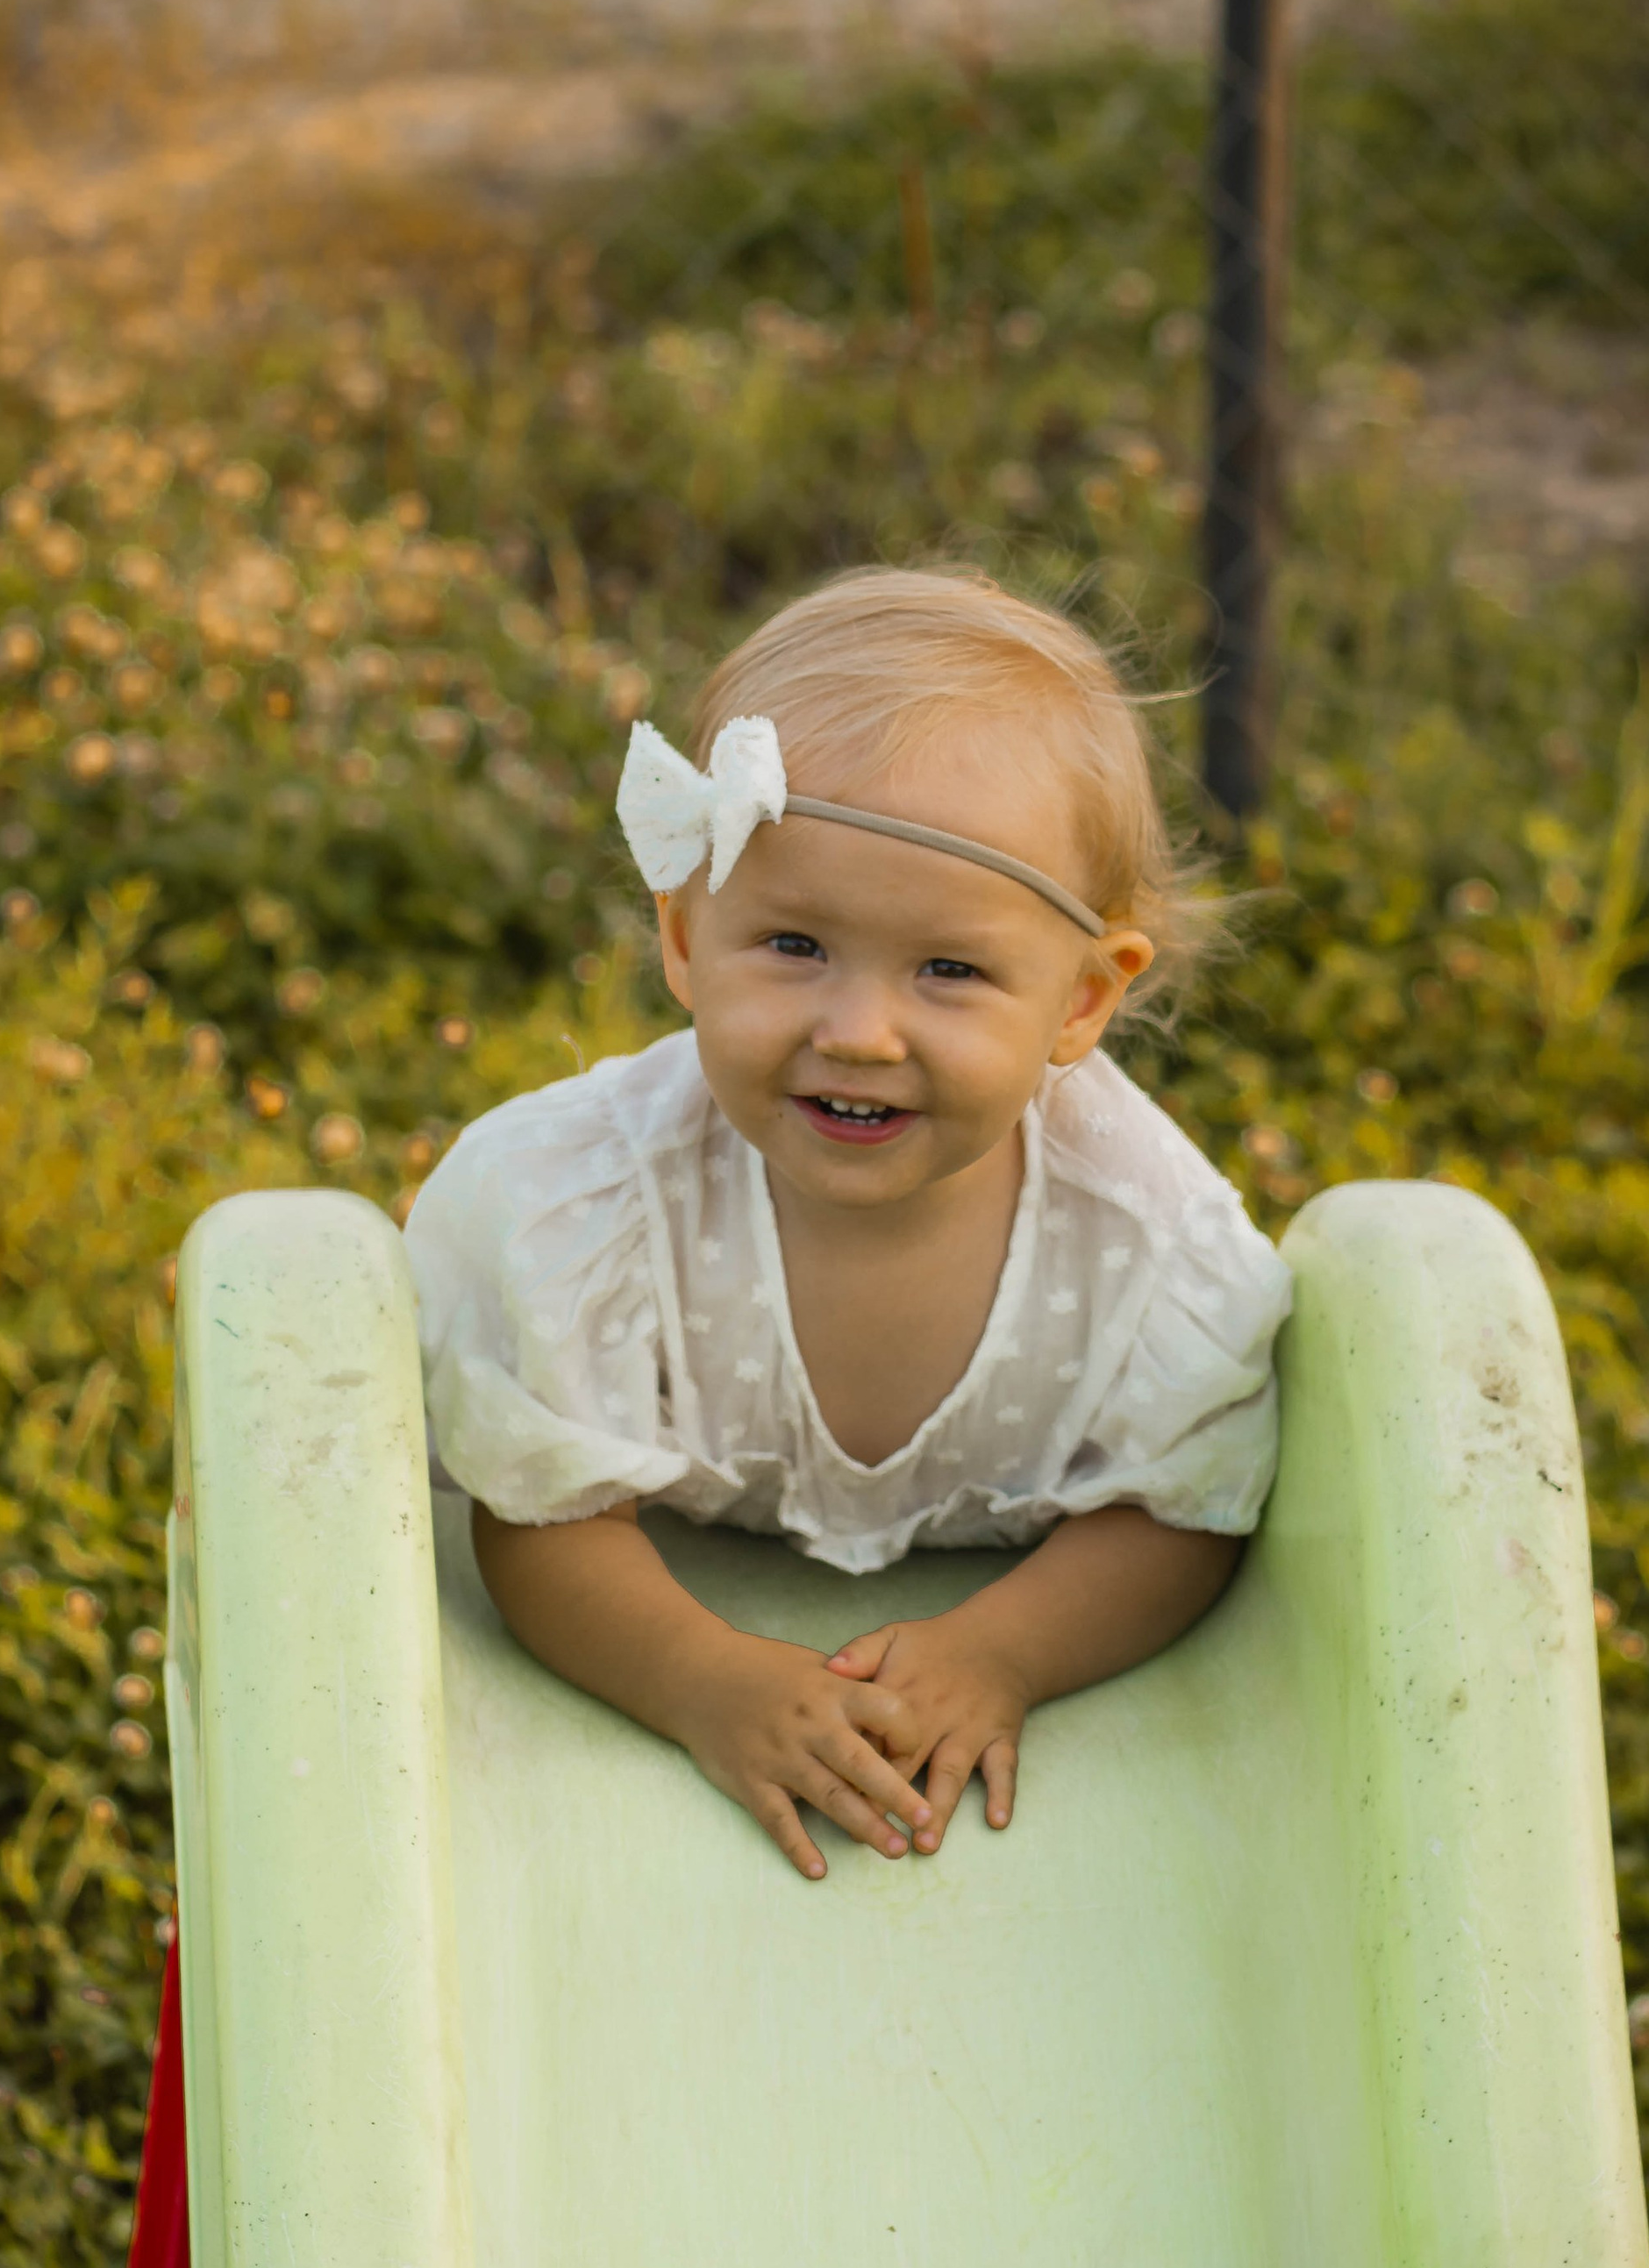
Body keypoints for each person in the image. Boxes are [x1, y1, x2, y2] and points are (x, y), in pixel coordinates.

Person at [407, 566, 1293, 1882]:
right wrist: (702, 1677)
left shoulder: (1142, 1244)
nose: (859, 1031)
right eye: (795, 945)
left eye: (949, 970)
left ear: (1083, 1001)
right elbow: (544, 1521)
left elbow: (1176, 1515)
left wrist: (1006, 1648)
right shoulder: (588, 1209)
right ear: (686, 935)